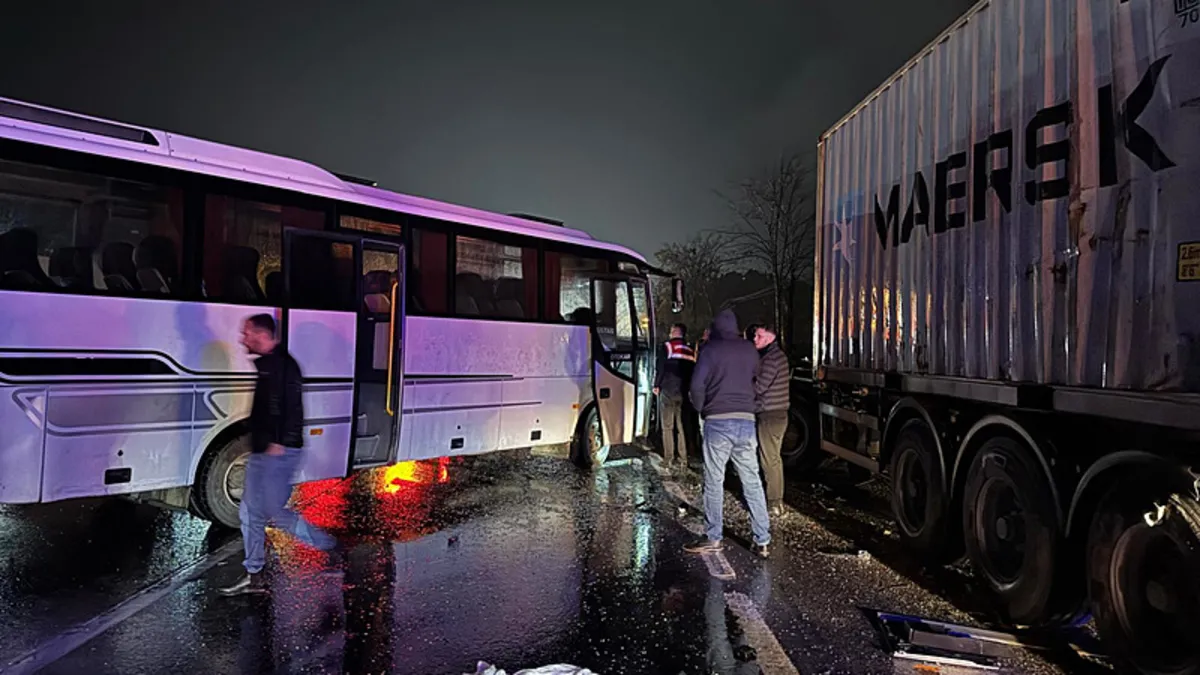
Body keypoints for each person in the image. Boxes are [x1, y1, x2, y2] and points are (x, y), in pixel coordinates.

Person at [220, 313, 336, 596]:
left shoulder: (283, 367)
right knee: (250, 511)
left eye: (247, 333)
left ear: (262, 335)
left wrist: (278, 443)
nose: (242, 338)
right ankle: (255, 574)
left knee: (273, 511)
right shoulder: (268, 365)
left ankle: (328, 547)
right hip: (264, 451)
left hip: (277, 452)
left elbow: (292, 410)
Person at [683, 309, 771, 558]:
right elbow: (756, 379)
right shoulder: (749, 349)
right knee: (752, 480)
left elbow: (697, 385)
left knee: (714, 480)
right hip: (745, 421)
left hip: (718, 421)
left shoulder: (711, 350)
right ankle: (762, 540)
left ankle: (714, 537)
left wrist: (702, 409)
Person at [749, 324, 790, 517]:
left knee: (770, 459)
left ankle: (774, 502)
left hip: (770, 415)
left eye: (758, 336)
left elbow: (759, 388)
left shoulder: (771, 359)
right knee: (772, 457)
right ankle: (774, 500)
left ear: (768, 338)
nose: (755, 339)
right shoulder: (775, 356)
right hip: (775, 414)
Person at [654, 323, 695, 473]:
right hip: (684, 392)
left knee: (667, 427)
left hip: (668, 390)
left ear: (673, 332)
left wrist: (656, 385)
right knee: (681, 426)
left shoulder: (667, 347)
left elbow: (661, 367)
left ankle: (668, 458)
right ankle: (683, 459)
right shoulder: (690, 350)